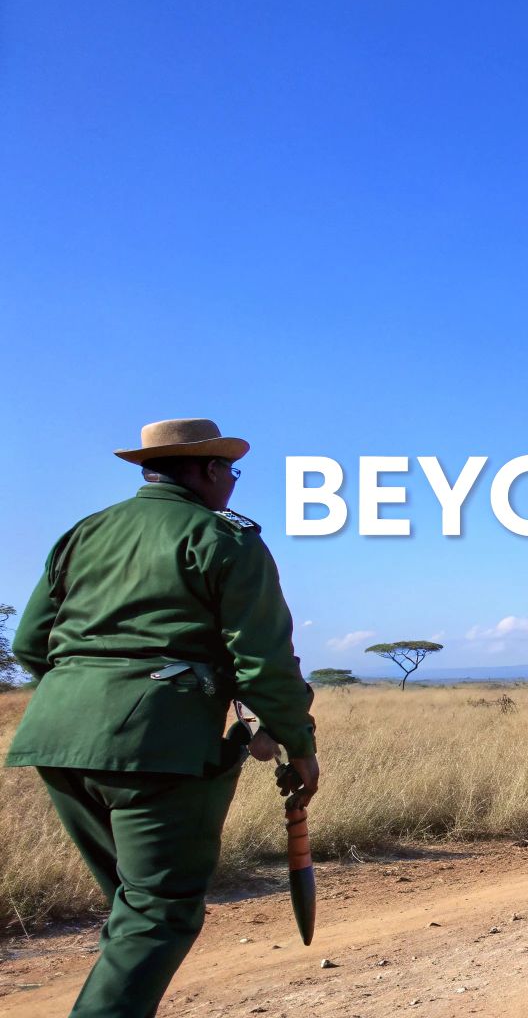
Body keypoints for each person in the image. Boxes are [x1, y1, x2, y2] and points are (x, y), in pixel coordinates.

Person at [5, 418, 321, 1018]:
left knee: (134, 909)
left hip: (55, 738)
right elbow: (263, 661)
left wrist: (84, 701)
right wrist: (298, 744)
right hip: (160, 744)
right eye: (229, 470)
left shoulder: (84, 533)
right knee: (158, 912)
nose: (232, 482)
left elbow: (29, 643)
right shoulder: (222, 539)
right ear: (206, 470)